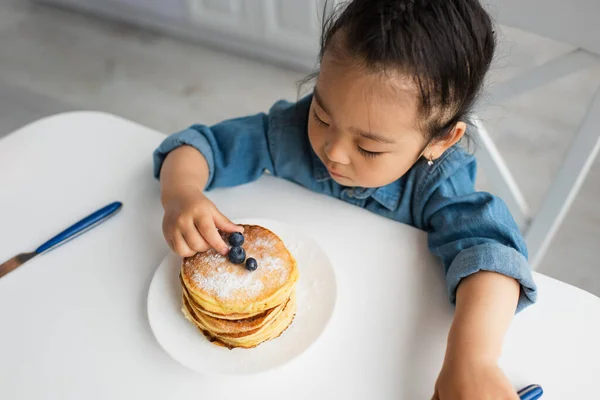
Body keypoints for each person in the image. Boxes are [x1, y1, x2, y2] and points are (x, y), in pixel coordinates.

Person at [153, 1, 537, 398]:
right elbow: (201, 147)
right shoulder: (288, 134)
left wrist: (472, 361)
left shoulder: (438, 185)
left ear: (440, 141)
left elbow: (491, 256)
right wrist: (180, 193)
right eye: (322, 116)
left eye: (369, 147)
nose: (333, 151)